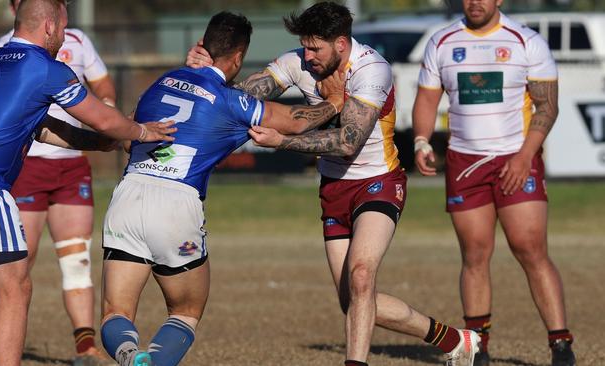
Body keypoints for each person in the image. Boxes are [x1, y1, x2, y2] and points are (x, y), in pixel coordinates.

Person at [187, 2, 480, 365]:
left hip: (379, 181)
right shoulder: (298, 62)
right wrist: (207, 75)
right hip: (333, 187)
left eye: (315, 48)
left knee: (361, 277)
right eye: (304, 47)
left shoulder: (372, 70)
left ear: (341, 43)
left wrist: (282, 141)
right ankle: (453, 340)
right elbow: (243, 96)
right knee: (354, 298)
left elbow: (347, 141)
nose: (307, 56)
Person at [99, 11, 347, 366]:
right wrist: (336, 101)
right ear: (238, 58)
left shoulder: (159, 83)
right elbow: (293, 122)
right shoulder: (231, 101)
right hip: (176, 203)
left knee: (115, 312)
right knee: (185, 310)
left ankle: (127, 354)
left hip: (128, 194)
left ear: (202, 45)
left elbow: (127, 143)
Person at [0, 0, 174, 365]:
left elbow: (42, 129)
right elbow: (102, 118)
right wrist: (141, 131)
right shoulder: (45, 68)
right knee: (15, 288)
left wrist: (99, 144)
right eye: (62, 26)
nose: (63, 36)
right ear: (49, 27)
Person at [411, 1, 575, 365]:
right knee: (474, 254)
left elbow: (547, 107)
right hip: (464, 163)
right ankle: (477, 346)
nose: (475, 2)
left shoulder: (526, 41)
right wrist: (421, 140)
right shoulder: (441, 41)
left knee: (530, 249)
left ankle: (560, 342)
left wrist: (524, 156)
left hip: (517, 158)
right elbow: (426, 98)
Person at [0, 1, 116, 363]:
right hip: (28, 167)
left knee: (76, 259)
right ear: (16, 7)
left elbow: (104, 87)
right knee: (16, 267)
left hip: (71, 167)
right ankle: (0, 351)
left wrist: (105, 111)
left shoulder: (79, 40)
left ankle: (86, 347)